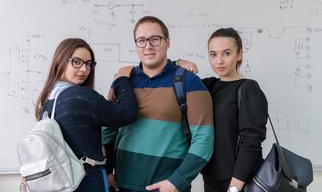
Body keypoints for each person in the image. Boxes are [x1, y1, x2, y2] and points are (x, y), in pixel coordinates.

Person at [102, 16, 214, 192]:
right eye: (141, 40)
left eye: (155, 39)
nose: (148, 46)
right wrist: (107, 172)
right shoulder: (122, 82)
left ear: (167, 42)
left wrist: (177, 182)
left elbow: (204, 139)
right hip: (121, 186)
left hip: (168, 188)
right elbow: (106, 133)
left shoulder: (189, 82)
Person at [35, 38, 138, 192]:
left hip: (60, 183)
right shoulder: (80, 96)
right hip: (87, 181)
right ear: (60, 61)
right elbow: (127, 113)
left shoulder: (47, 102)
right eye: (77, 62)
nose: (84, 69)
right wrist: (122, 79)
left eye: (89, 64)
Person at [178, 28, 268, 192]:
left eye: (226, 53)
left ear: (239, 54)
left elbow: (252, 140)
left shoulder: (248, 88)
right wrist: (177, 63)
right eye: (213, 54)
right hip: (212, 178)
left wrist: (235, 186)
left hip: (240, 181)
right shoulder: (208, 86)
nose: (219, 61)